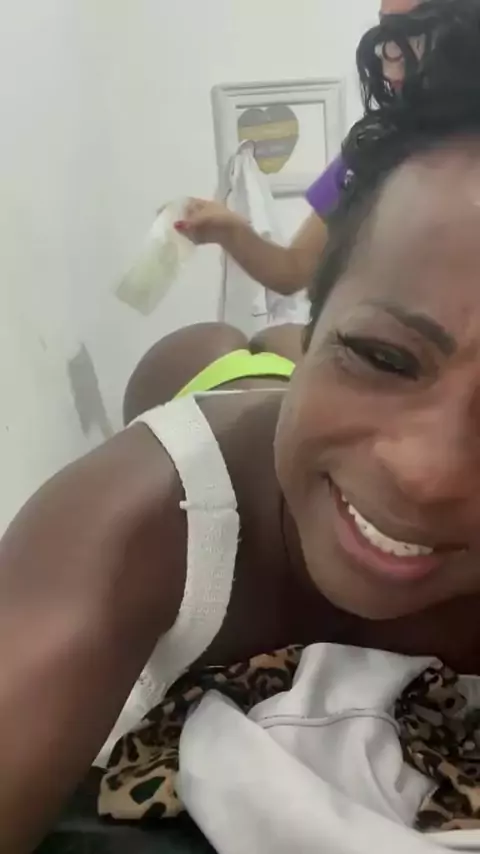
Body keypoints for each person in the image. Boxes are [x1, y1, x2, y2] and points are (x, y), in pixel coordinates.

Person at [5, 0, 480, 851]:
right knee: (208, 355)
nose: (427, 474)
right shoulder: (138, 521)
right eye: (381, 356)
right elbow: (294, 273)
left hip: (304, 367)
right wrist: (228, 231)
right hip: (246, 396)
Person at [174, 0, 433, 296]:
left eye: (416, 34)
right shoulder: (370, 151)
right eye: (386, 34)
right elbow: (293, 269)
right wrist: (229, 230)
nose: (392, 60)